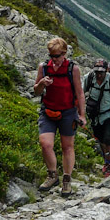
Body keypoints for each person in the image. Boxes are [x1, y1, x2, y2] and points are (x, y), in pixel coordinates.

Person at [33, 37, 86, 196]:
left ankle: (67, 180)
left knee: (67, 146)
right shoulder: (44, 67)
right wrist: (42, 83)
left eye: (56, 56)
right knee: (45, 144)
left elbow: (79, 93)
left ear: (64, 54)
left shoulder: (72, 69)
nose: (54, 59)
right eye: (51, 55)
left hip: (68, 112)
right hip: (48, 111)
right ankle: (52, 175)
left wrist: (82, 115)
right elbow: (36, 91)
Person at [83, 58, 110, 178]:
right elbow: (80, 94)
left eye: (101, 72)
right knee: (101, 140)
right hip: (95, 116)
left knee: (108, 140)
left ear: (106, 71)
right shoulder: (89, 78)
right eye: (97, 72)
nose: (99, 75)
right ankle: (106, 160)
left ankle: (108, 164)